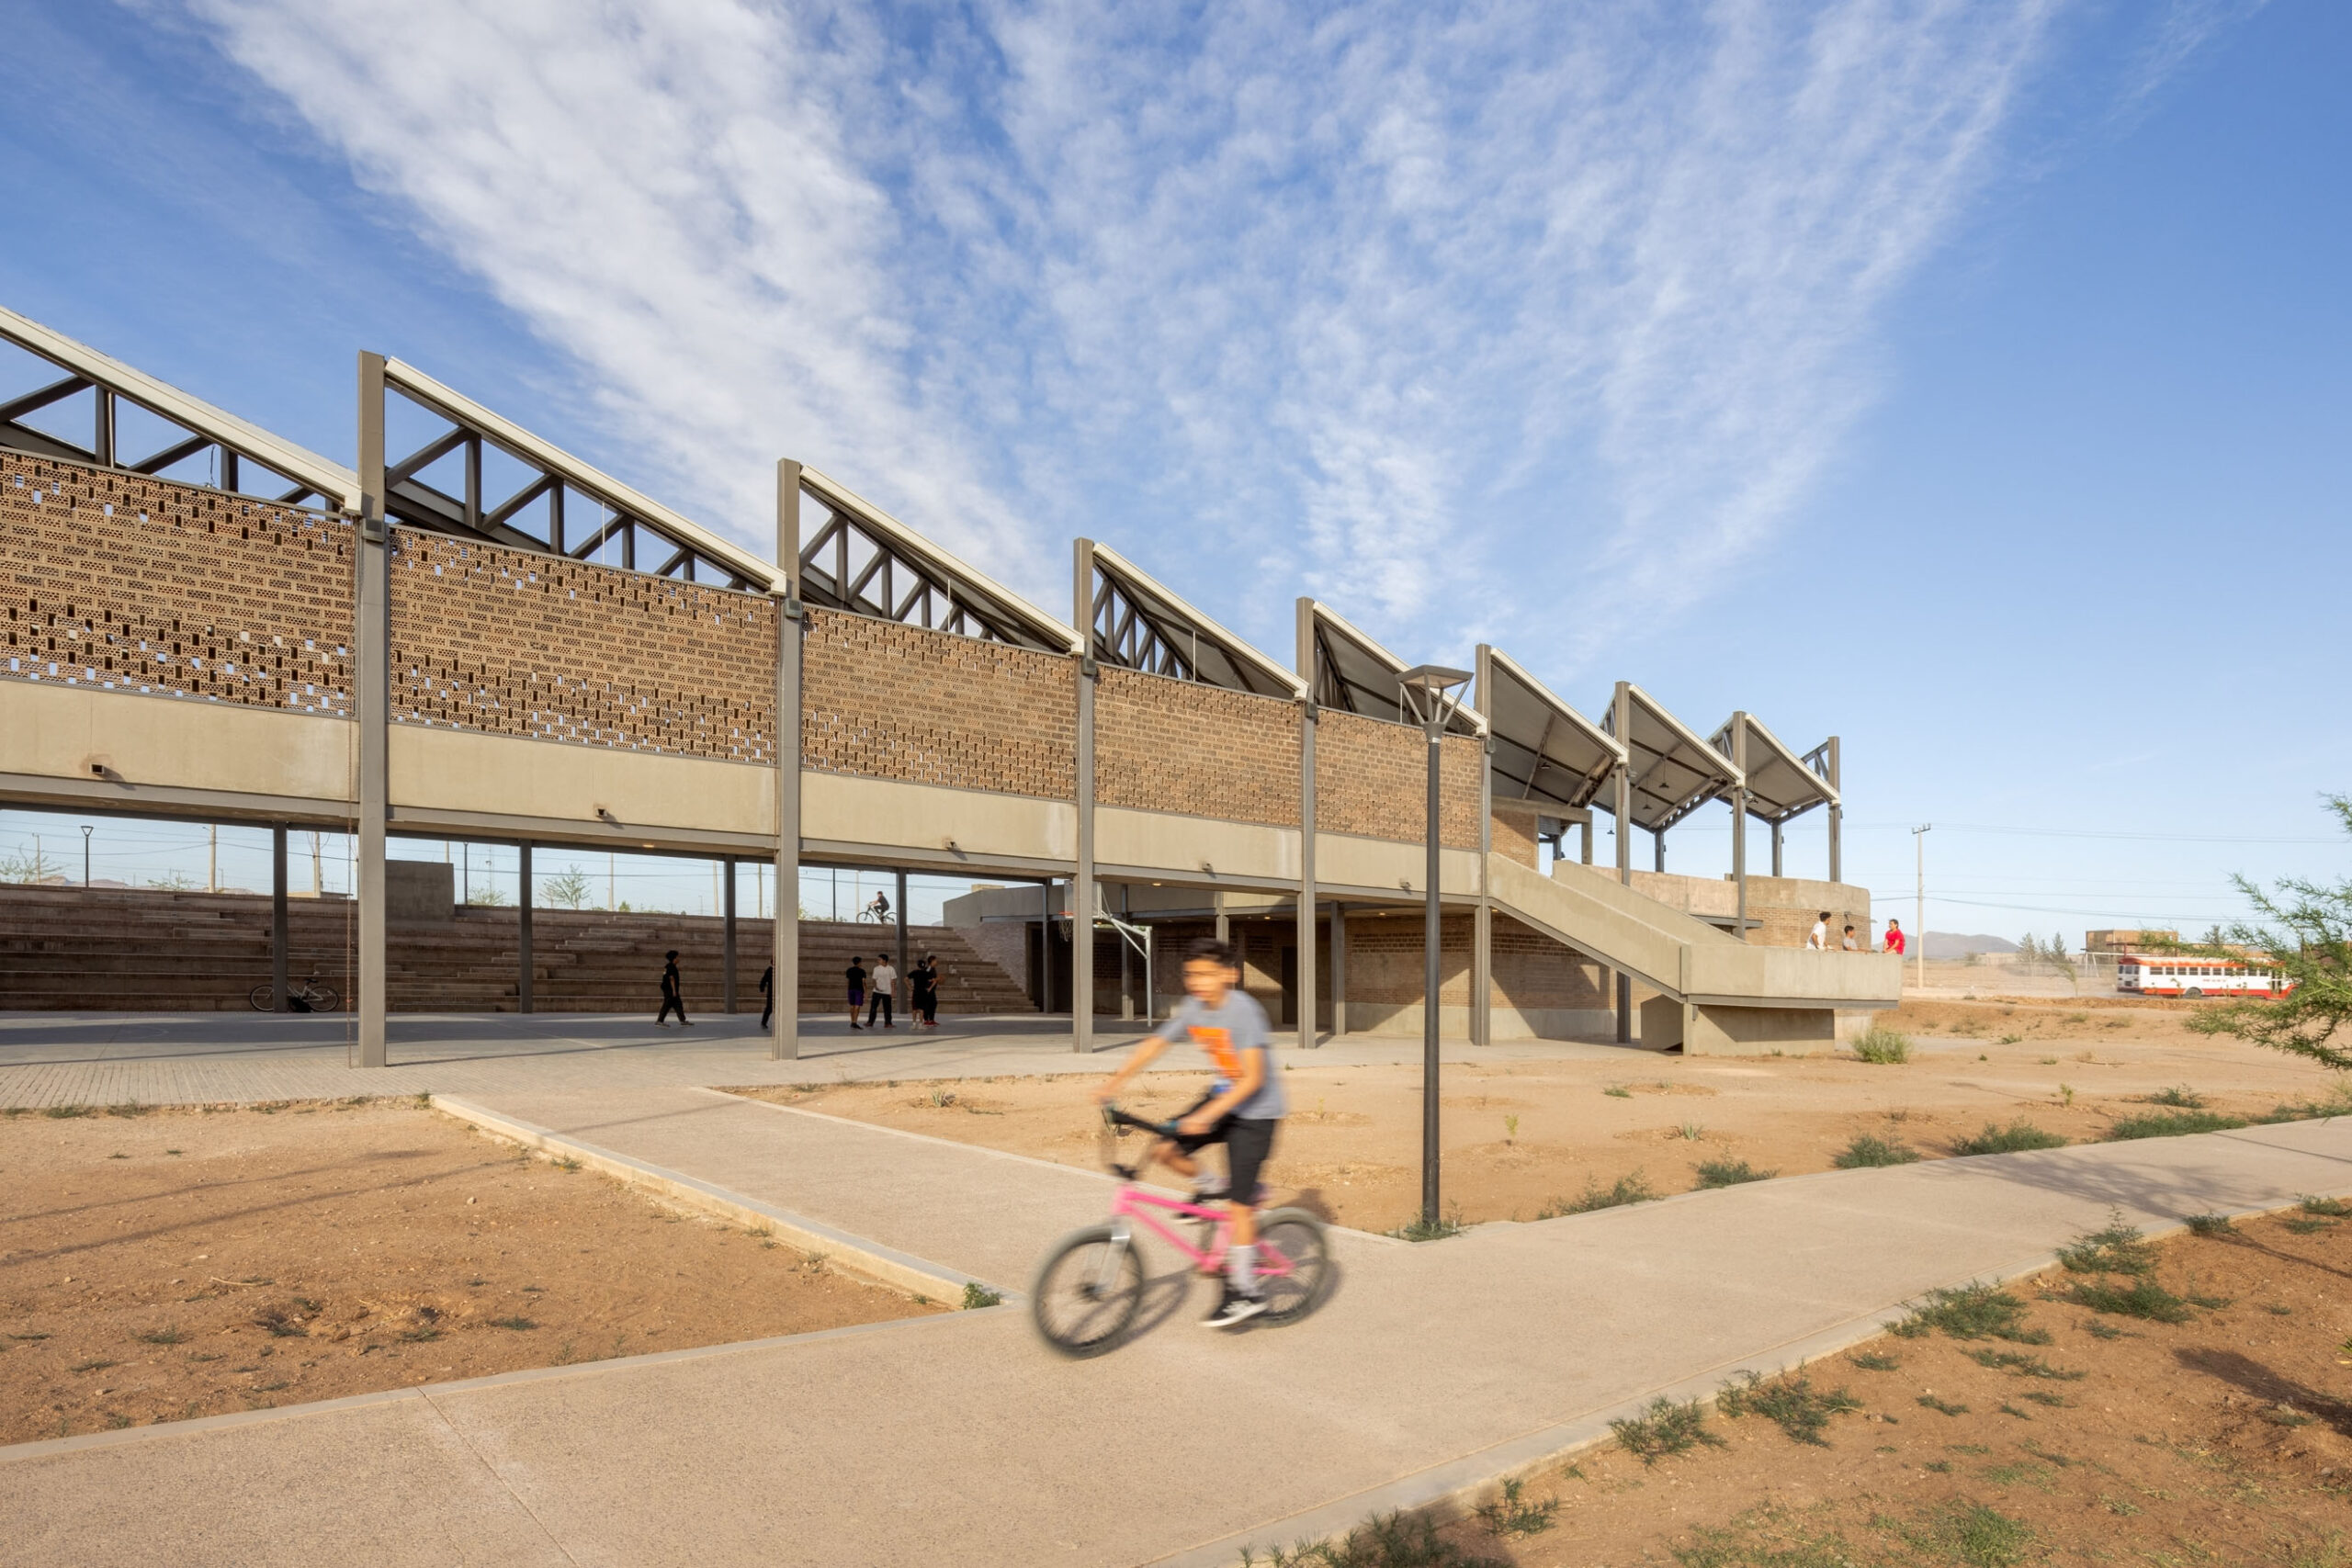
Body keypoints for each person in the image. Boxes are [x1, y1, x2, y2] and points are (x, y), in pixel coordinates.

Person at [1093, 938, 1285, 1330]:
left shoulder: (1244, 1012)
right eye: (1190, 974)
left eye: (1204, 974)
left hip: (1257, 1112)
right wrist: (1114, 1084)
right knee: (1165, 1149)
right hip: (1220, 1099)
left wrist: (1208, 1115)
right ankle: (1213, 1186)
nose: (1195, 982)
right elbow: (1154, 1045)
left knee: (1240, 1207)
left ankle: (1244, 1292)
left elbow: (1253, 1079)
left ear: (1229, 974)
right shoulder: (1194, 1009)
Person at [656, 950, 690, 1027]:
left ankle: (683, 1020)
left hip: (670, 989)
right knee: (667, 1005)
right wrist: (674, 991)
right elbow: (671, 978)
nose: (678, 958)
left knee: (678, 1004)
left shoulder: (669, 966)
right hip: (670, 990)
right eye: (677, 957)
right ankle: (659, 1021)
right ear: (674, 958)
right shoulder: (671, 967)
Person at [867, 955, 899, 1029]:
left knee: (888, 1008)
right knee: (873, 1007)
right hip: (877, 991)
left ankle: (888, 1023)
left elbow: (893, 981)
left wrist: (893, 991)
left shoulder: (891, 969)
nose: (878, 961)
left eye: (879, 959)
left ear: (884, 960)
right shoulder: (876, 968)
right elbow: (874, 979)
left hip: (887, 992)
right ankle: (870, 1022)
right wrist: (876, 987)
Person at [910, 955, 939, 1028]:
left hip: (930, 990)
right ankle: (926, 1020)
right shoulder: (928, 969)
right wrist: (928, 987)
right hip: (927, 990)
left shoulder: (933, 968)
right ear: (931, 961)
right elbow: (926, 978)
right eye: (935, 960)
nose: (936, 962)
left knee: (933, 1003)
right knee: (927, 1004)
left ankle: (931, 1019)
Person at [845, 955, 867, 1030]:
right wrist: (866, 992)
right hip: (859, 990)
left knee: (852, 1006)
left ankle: (852, 1022)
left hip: (851, 990)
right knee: (857, 1006)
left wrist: (848, 990)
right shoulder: (862, 971)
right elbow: (864, 982)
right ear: (859, 963)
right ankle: (855, 1022)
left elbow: (848, 981)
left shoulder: (849, 970)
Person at [758, 963, 775, 1030]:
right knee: (769, 1008)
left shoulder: (780, 970)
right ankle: (763, 1023)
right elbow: (764, 980)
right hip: (771, 993)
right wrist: (762, 988)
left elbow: (763, 980)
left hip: (777, 993)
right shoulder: (770, 970)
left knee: (769, 1008)